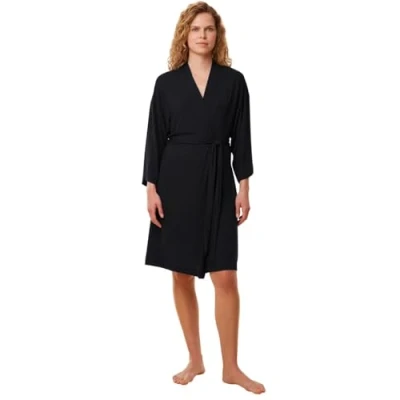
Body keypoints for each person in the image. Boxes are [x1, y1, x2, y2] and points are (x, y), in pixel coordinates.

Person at [141, 1, 265, 395]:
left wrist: (244, 185)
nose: (202, 35)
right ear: (185, 34)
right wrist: (151, 188)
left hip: (218, 180)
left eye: (209, 29)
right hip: (175, 181)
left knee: (225, 274)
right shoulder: (166, 83)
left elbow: (241, 137)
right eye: (196, 29)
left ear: (217, 35)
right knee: (180, 273)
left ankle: (231, 367)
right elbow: (154, 136)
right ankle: (195, 359)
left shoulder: (234, 82)